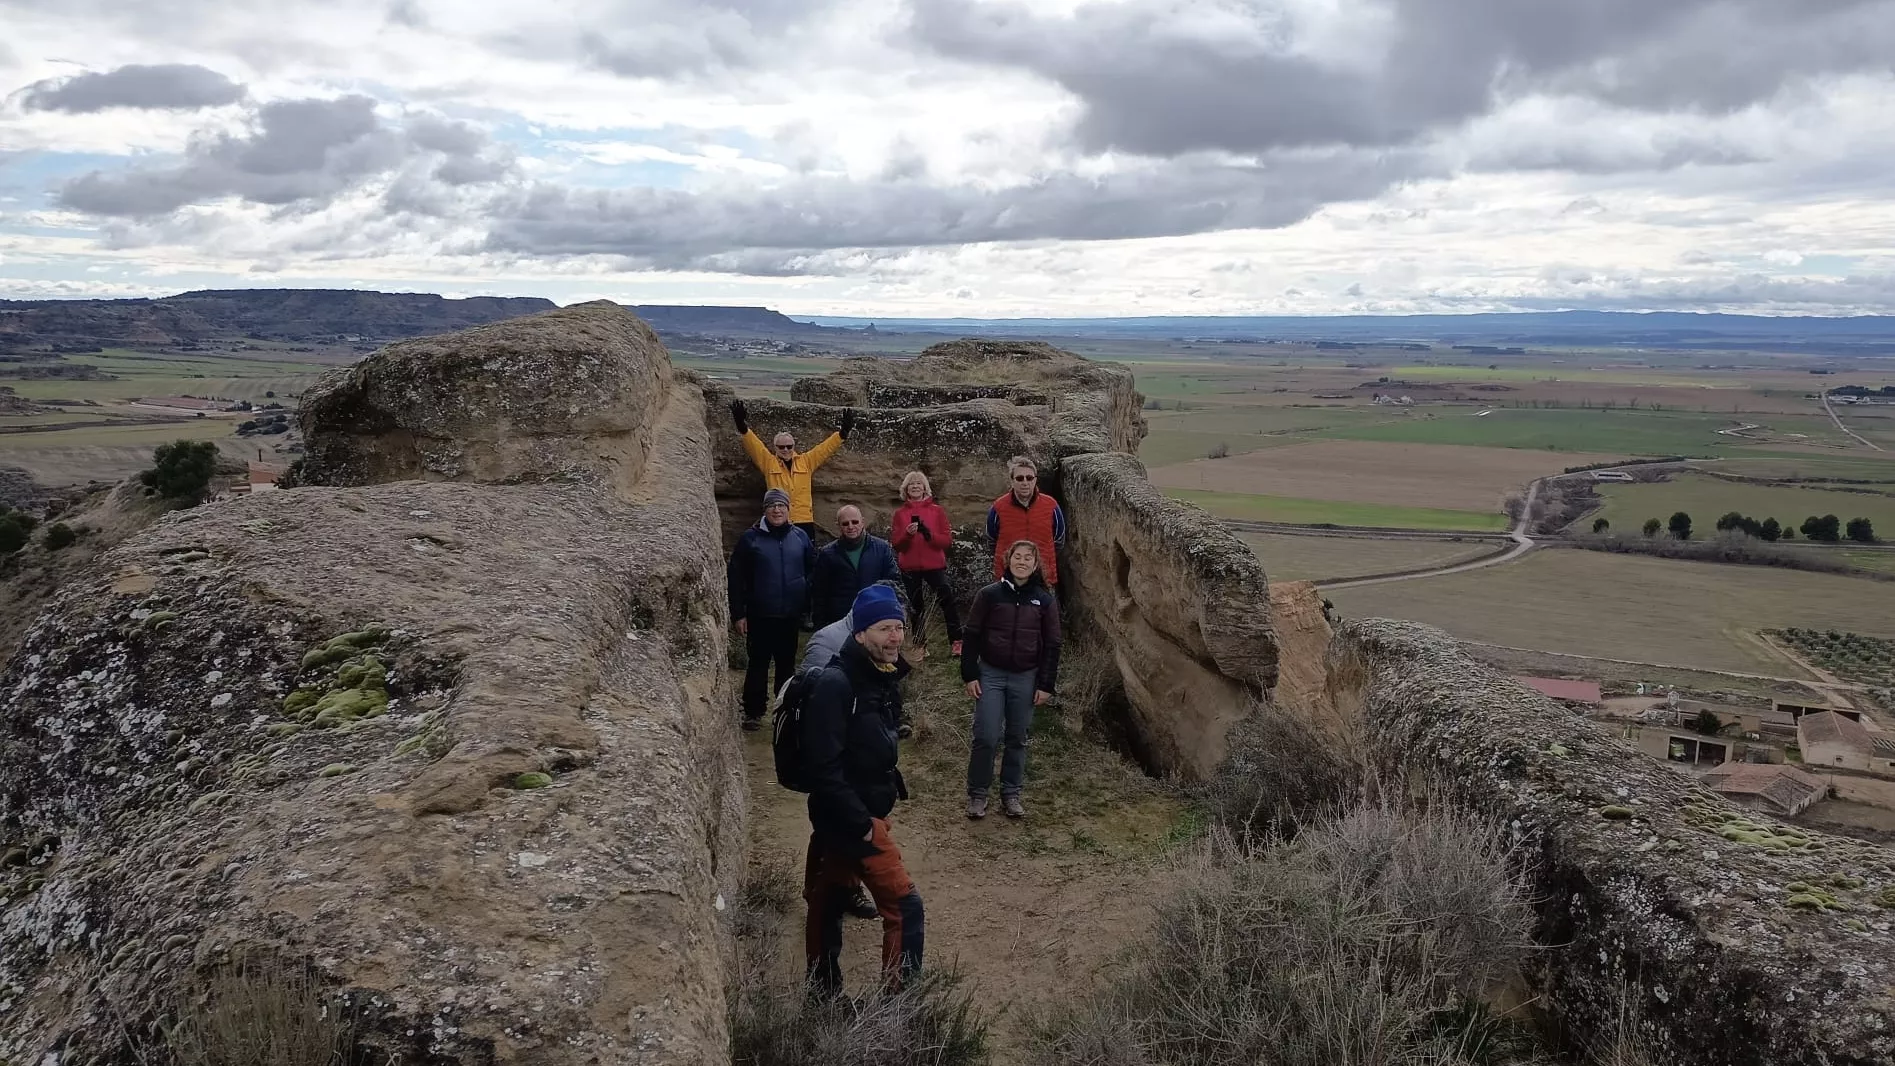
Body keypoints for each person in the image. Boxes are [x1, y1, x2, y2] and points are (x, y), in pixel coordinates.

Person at [802, 584, 924, 995]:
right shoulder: (837, 685)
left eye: (898, 627)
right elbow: (823, 768)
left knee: (830, 897)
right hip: (853, 820)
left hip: (858, 813)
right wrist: (864, 824)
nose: (895, 637)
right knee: (905, 908)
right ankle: (897, 1013)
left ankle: (822, 994)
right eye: (884, 629)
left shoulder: (877, 677)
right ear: (859, 634)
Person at [960, 539, 1061, 820]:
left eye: (1029, 558)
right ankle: (978, 794)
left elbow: (1053, 644)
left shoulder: (1044, 600)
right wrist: (970, 674)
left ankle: (1011, 793)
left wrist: (1045, 684)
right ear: (1009, 559)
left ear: (1035, 564)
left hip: (1025, 676)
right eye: (1018, 556)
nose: (1023, 562)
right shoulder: (989, 595)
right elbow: (972, 635)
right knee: (987, 735)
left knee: (1017, 737)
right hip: (991, 673)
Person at [728, 488, 814, 731]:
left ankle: (784, 710)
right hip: (759, 614)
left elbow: (812, 568)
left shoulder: (800, 537)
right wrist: (739, 613)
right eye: (772, 506)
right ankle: (754, 712)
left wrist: (805, 596)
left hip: (790, 615)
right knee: (758, 664)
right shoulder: (750, 539)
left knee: (787, 665)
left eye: (781, 506)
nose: (777, 510)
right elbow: (736, 578)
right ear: (765, 509)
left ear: (788, 509)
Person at [731, 399, 854, 539]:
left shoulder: (806, 462)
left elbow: (824, 449)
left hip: (804, 521)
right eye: (781, 447)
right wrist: (742, 427)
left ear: (793, 447)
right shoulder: (769, 463)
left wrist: (842, 434)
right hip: (780, 520)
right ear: (775, 448)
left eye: (789, 446)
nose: (786, 450)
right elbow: (755, 447)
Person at [891, 470, 964, 658]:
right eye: (911, 484)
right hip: (910, 566)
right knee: (916, 606)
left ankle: (957, 641)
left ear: (925, 488)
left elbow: (947, 541)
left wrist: (928, 534)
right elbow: (897, 545)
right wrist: (908, 534)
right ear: (905, 489)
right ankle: (920, 644)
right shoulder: (900, 514)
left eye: (919, 483)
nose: (915, 486)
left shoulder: (937, 511)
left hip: (934, 565)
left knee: (947, 600)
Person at [809, 504, 900, 630]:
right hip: (840, 620)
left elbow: (893, 583)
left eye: (855, 522)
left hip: (875, 616)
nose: (850, 527)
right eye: (845, 523)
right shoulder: (827, 554)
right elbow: (819, 592)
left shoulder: (882, 548)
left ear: (862, 522)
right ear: (838, 526)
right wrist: (820, 626)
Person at [986, 456, 1066, 587]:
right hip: (1008, 576)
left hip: (1042, 576)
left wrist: (1042, 557)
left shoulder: (1051, 506)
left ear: (1035, 480)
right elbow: (991, 539)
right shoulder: (998, 507)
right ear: (1012, 481)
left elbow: (1059, 540)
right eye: (1019, 478)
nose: (1025, 482)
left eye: (1029, 478)